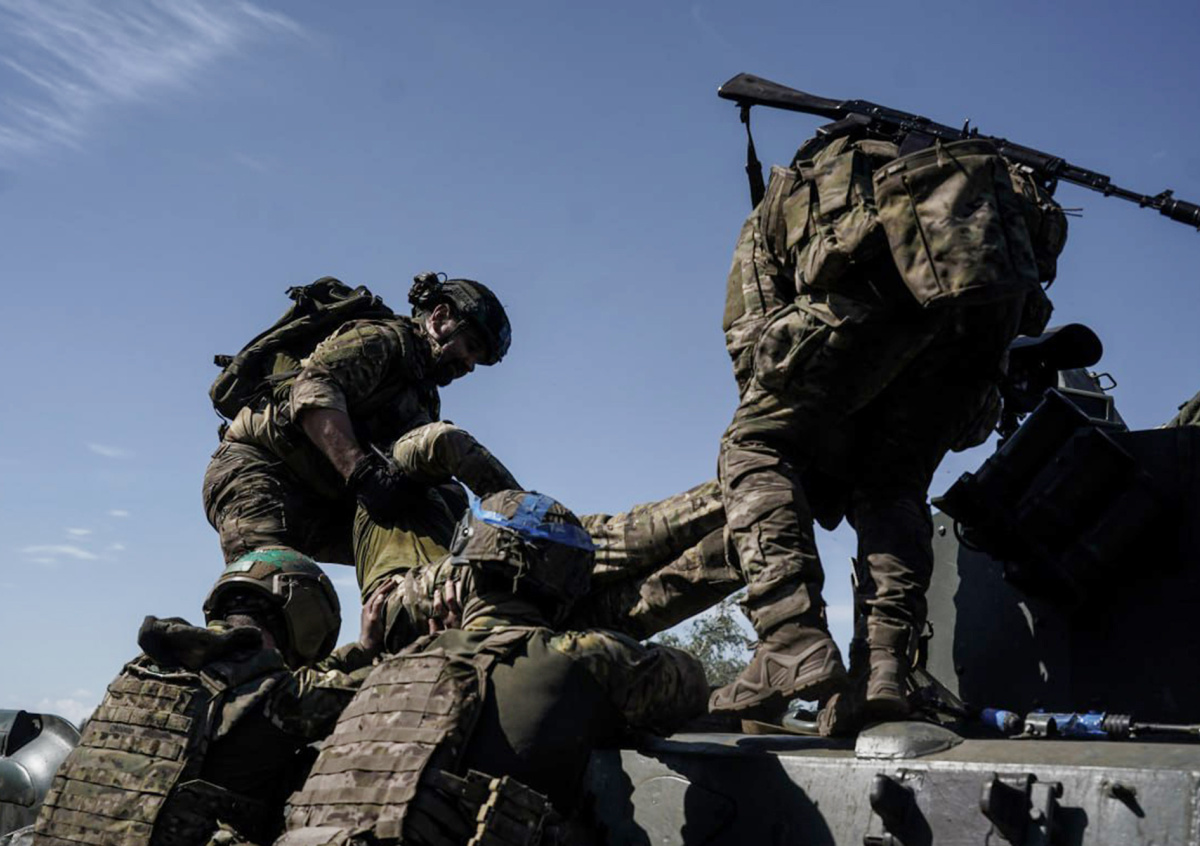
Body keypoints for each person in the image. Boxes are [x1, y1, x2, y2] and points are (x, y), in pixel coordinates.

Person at [711, 132, 1067, 725]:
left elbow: (752, 340)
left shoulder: (795, 195)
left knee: (754, 443)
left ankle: (789, 642)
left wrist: (805, 432)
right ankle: (883, 671)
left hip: (872, 299)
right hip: (981, 320)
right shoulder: (974, 205)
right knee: (894, 487)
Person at [276, 490, 710, 846]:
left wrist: (440, 644)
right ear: (570, 586)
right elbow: (690, 687)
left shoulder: (386, 672)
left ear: (462, 573)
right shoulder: (591, 658)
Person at [31, 549, 393, 846]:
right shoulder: (272, 694)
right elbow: (383, 686)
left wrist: (360, 650)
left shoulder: (146, 672)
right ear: (306, 617)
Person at [203, 273, 511, 567]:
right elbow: (312, 392)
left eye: (478, 359)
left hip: (322, 500)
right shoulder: (380, 340)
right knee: (272, 582)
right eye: (470, 347)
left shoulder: (423, 396)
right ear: (440, 317)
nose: (470, 365)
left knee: (426, 539)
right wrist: (362, 473)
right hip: (262, 468)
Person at [353, 421, 741, 649]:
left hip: (485, 607)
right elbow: (443, 442)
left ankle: (751, 533)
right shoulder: (379, 483)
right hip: (403, 604)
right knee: (582, 542)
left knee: (623, 609)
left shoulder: (441, 500)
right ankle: (747, 484)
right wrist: (527, 519)